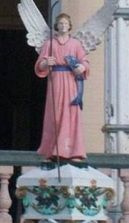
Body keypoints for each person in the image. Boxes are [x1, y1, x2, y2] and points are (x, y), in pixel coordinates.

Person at [35, 13, 89, 161]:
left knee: (72, 113)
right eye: (60, 23)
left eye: (65, 23)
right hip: (56, 81)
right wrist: (46, 63)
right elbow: (40, 64)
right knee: (55, 113)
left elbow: (84, 61)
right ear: (56, 26)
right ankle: (52, 149)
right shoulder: (49, 44)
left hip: (71, 81)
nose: (63, 26)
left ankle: (73, 150)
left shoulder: (75, 44)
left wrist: (82, 67)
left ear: (69, 26)